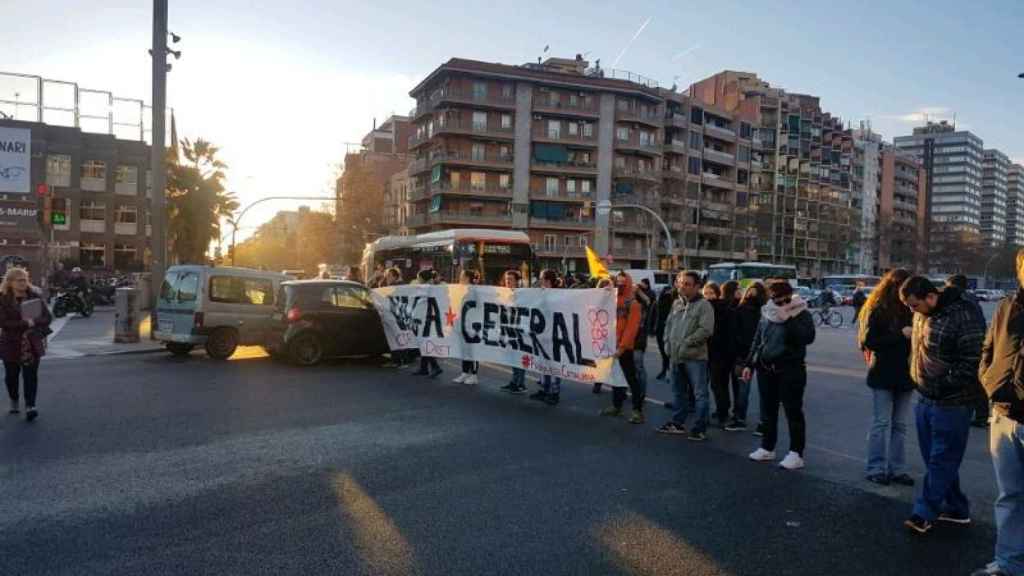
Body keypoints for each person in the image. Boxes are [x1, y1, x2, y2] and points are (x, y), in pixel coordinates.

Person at [899, 276, 986, 534]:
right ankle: (957, 508)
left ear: (930, 297)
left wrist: (944, 383)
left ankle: (923, 513)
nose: (911, 311)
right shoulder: (921, 315)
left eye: (914, 305)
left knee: (941, 459)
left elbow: (973, 361)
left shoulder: (964, 315)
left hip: (954, 402)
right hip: (925, 397)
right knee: (934, 459)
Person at [976, 249, 1024, 576]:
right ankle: (1008, 564)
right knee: (1009, 497)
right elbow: (988, 348)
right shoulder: (1008, 306)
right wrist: (988, 380)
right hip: (1005, 413)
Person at [744, 281, 815, 469]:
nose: (778, 302)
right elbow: (758, 339)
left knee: (793, 411)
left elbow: (807, 338)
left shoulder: (801, 313)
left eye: (781, 298)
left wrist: (788, 318)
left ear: (790, 295)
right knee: (767, 410)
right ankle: (767, 447)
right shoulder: (767, 312)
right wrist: (749, 364)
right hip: (766, 368)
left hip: (790, 369)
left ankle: (796, 453)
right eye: (773, 297)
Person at [858, 268, 916, 487]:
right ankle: (875, 468)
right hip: (883, 372)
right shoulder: (878, 309)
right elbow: (869, 340)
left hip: (906, 374)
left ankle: (897, 469)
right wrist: (900, 335)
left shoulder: (913, 310)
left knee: (900, 425)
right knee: (881, 423)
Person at [657, 270, 715, 440]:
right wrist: (667, 344)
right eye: (681, 283)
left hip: (695, 357)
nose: (682, 287)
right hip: (675, 356)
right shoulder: (676, 303)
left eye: (687, 284)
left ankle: (700, 427)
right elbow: (668, 325)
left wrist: (686, 343)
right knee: (678, 392)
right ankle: (677, 423)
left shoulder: (704, 305)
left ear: (697, 287)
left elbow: (706, 330)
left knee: (700, 394)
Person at [2, 267, 52, 422]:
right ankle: (14, 398)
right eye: (20, 280)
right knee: (11, 376)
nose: (24, 283)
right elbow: (3, 322)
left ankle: (31, 405)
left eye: (25, 279)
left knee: (30, 376)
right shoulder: (2, 299)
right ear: (10, 282)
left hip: (32, 342)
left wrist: (34, 322)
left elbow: (47, 317)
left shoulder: (34, 296)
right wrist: (24, 323)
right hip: (10, 343)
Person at [600, 271, 645, 424]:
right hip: (611, 345)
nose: (619, 285)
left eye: (622, 283)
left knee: (631, 379)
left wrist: (622, 347)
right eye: (617, 282)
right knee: (615, 378)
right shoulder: (611, 300)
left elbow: (631, 329)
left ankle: (637, 411)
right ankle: (616, 406)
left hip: (624, 348)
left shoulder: (633, 304)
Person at [948, 273, 989, 429]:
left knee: (966, 380)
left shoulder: (959, 299)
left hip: (965, 344)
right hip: (978, 342)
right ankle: (981, 415)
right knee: (977, 382)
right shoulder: (972, 299)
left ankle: (974, 414)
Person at [730, 282, 767, 432]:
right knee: (763, 391)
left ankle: (740, 419)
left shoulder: (740, 309)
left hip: (745, 354)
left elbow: (735, 334)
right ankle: (763, 424)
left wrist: (738, 354)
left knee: (742, 388)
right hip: (763, 354)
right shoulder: (766, 311)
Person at [705, 282, 738, 428]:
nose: (708, 296)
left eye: (711, 293)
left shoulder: (717, 308)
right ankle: (722, 410)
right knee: (721, 384)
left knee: (717, 384)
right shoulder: (725, 307)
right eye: (706, 293)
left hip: (718, 352)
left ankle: (722, 413)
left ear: (718, 294)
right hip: (721, 352)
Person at [530, 269, 563, 406]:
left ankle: (554, 393)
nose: (540, 281)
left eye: (541, 278)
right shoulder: (542, 293)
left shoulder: (559, 295)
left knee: (554, 365)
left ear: (547, 280)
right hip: (542, 335)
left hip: (555, 335)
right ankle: (545, 389)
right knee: (543, 362)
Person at [500, 270, 528, 394]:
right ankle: (514, 381)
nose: (508, 281)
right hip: (509, 330)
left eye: (510, 279)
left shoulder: (522, 294)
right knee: (512, 357)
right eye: (506, 279)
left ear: (517, 281)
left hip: (519, 331)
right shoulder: (504, 294)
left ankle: (520, 383)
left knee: (518, 357)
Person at [412, 269, 443, 379]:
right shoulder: (426, 289)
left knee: (424, 342)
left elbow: (427, 305)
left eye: (418, 277)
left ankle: (435, 367)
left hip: (425, 320)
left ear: (422, 278)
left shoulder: (427, 290)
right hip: (423, 319)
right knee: (423, 342)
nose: (417, 279)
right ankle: (424, 368)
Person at [453, 269, 481, 386]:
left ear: (467, 277)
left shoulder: (474, 290)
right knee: (464, 349)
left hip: (472, 325)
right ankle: (465, 372)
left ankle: (474, 375)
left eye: (462, 276)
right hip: (462, 324)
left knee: (472, 350)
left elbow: (477, 307)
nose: (460, 278)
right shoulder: (460, 290)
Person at [592, 277, 615, 394]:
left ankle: (598, 383)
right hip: (607, 331)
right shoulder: (607, 298)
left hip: (602, 331)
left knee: (602, 358)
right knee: (608, 358)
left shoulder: (611, 297)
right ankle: (601, 383)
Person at [654, 283, 675, 381]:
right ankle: (666, 370)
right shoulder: (660, 302)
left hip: (667, 328)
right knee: (664, 352)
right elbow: (654, 314)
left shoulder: (673, 302)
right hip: (661, 328)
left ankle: (667, 371)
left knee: (667, 352)